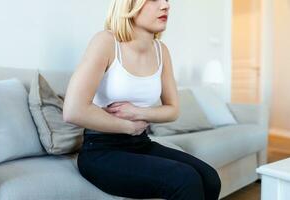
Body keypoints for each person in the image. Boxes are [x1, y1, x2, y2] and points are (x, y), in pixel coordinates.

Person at [63, 0, 221, 199]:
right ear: (128, 5)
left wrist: (139, 112)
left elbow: (173, 109)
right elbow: (73, 110)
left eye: (166, 0)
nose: (165, 6)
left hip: (141, 143)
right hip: (101, 150)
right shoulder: (106, 42)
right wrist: (128, 127)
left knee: (210, 178)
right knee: (185, 179)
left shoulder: (161, 51)